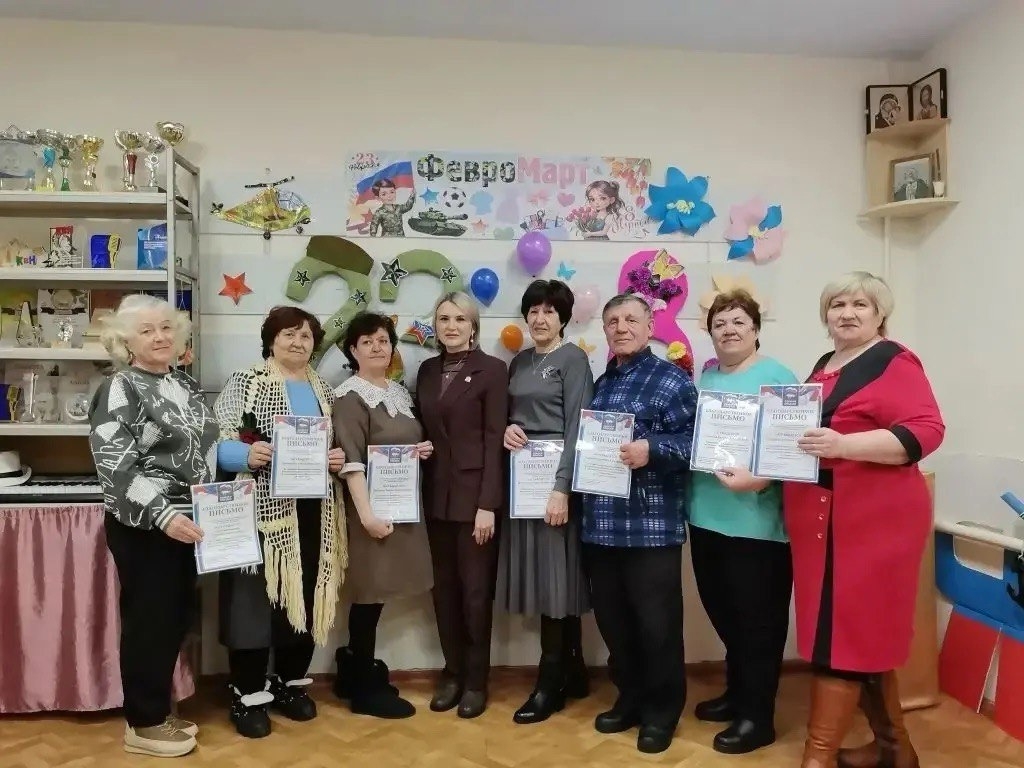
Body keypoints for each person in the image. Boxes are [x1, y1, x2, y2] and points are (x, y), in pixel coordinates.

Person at [787, 272, 944, 768]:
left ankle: (817, 759)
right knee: (856, 634)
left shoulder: (894, 360)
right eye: (837, 304)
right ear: (825, 314)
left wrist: (845, 444)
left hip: (871, 522)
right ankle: (895, 751)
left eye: (860, 304)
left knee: (845, 635)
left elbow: (926, 430)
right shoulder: (825, 366)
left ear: (880, 314)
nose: (847, 313)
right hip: (825, 520)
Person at [89, 295, 219, 758]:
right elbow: (115, 464)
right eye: (146, 331)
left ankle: (157, 711)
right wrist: (165, 514)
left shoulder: (183, 382)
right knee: (150, 621)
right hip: (147, 525)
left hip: (188, 521)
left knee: (173, 618)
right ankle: (142, 725)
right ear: (126, 341)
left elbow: (204, 450)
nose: (160, 336)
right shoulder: (120, 387)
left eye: (166, 327)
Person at [212, 305, 347, 739]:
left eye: (306, 336)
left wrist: (337, 458)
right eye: (289, 334)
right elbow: (215, 440)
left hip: (313, 510)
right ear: (271, 340)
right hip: (259, 511)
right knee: (253, 600)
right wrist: (244, 454)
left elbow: (339, 446)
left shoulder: (324, 389)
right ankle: (247, 691)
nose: (297, 342)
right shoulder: (247, 382)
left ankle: (289, 682)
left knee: (302, 594)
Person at [580, 293, 698, 755]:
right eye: (613, 321)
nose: (621, 327)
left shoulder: (672, 379)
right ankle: (629, 698)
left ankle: (662, 712)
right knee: (614, 623)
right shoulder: (601, 383)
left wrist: (653, 449)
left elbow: (696, 443)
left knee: (657, 626)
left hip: (651, 527)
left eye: (631, 319)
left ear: (650, 327)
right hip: (601, 525)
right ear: (605, 331)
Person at [688, 290, 797, 754]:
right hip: (705, 515)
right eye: (720, 323)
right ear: (710, 333)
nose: (729, 330)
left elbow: (794, 446)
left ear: (755, 329)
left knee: (758, 624)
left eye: (738, 321)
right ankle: (737, 695)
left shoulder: (778, 378)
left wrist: (761, 479)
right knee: (725, 614)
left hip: (756, 523)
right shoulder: (707, 376)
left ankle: (758, 717)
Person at [497, 279, 595, 724]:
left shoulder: (573, 359)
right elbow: (511, 414)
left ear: (563, 318)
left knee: (558, 579)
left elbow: (578, 426)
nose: (540, 319)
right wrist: (508, 428)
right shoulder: (520, 360)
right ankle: (574, 672)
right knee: (547, 580)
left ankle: (548, 683)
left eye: (549, 311)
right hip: (524, 484)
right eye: (533, 311)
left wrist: (562, 488)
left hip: (556, 486)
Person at [331, 312, 434, 719]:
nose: (377, 347)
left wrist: (420, 450)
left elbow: (398, 444)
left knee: (378, 595)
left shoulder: (398, 393)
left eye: (383, 340)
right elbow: (351, 461)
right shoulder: (349, 397)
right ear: (352, 350)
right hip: (368, 513)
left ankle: (353, 669)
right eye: (367, 341)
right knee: (368, 594)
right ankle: (362, 688)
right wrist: (368, 516)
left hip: (400, 507)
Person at [416, 291, 509, 719]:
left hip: (476, 503)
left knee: (474, 595)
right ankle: (451, 673)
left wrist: (488, 504)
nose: (451, 326)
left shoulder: (493, 370)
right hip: (436, 498)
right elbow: (426, 428)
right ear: (435, 326)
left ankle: (475, 680)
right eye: (444, 319)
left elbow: (494, 440)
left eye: (459, 319)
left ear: (473, 326)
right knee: (444, 592)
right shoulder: (426, 371)